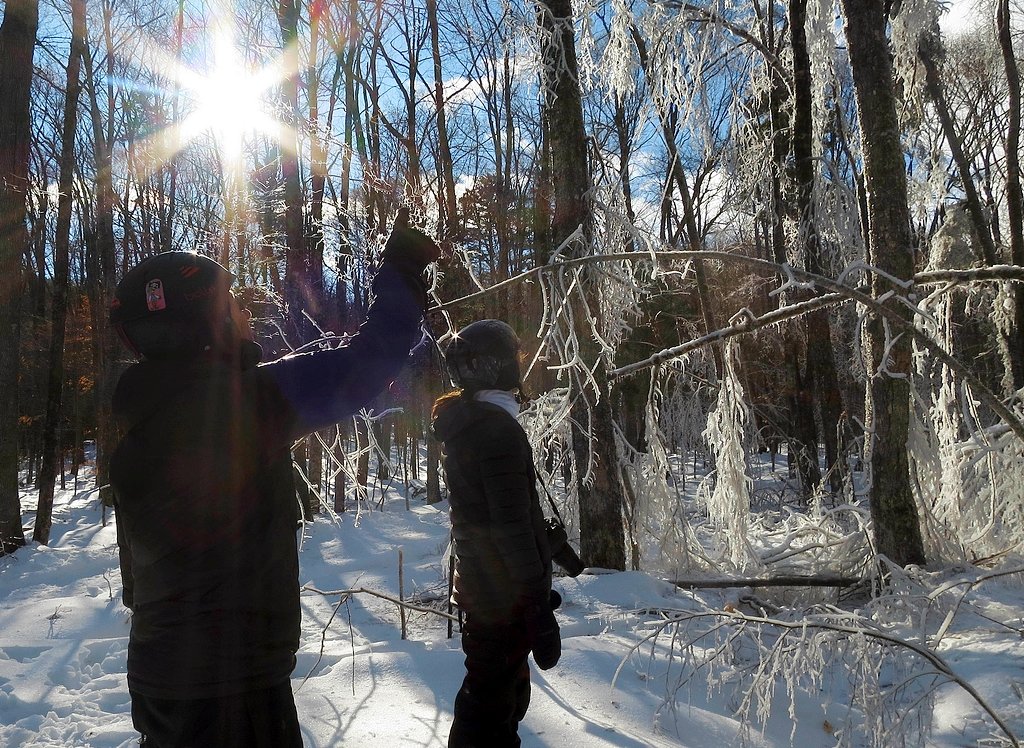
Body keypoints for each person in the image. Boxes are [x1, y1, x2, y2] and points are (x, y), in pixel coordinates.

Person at [108, 211, 439, 748]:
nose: (243, 315)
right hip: (233, 691)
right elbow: (369, 361)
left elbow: (135, 577)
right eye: (231, 306)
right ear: (205, 322)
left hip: (160, 679)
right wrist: (400, 270)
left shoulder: (135, 441)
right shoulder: (245, 405)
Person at [431, 319, 561, 748]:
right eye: (514, 360)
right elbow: (507, 526)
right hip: (502, 597)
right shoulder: (496, 429)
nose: (519, 368)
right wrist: (535, 602)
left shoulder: (472, 422)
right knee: (490, 710)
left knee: (496, 700)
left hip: (485, 587)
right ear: (495, 367)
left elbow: (492, 514)